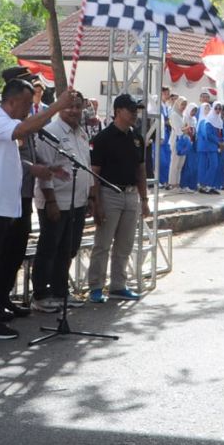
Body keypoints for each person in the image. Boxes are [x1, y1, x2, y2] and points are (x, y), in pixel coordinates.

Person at [0, 79, 70, 339]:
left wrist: (41, 168)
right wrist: (57, 106)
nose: (29, 109)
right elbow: (23, 129)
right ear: (12, 101)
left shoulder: (3, 122)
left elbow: (7, 159)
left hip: (2, 203)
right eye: (27, 104)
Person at [87, 93, 149, 302]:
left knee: (125, 244)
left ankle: (118, 285)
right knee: (103, 243)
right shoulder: (103, 138)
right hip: (109, 194)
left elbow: (141, 170)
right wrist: (96, 202)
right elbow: (95, 173)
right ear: (118, 111)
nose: (135, 114)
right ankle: (96, 286)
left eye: (136, 110)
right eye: (131, 110)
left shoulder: (137, 138)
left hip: (131, 195)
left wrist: (144, 199)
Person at [196, 102, 224, 194]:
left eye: (219, 109)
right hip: (208, 146)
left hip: (214, 147)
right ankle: (204, 185)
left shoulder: (219, 120)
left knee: (213, 166)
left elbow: (221, 133)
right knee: (211, 165)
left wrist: (222, 141)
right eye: (216, 108)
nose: (218, 110)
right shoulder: (207, 120)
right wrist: (219, 142)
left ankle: (209, 185)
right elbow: (208, 134)